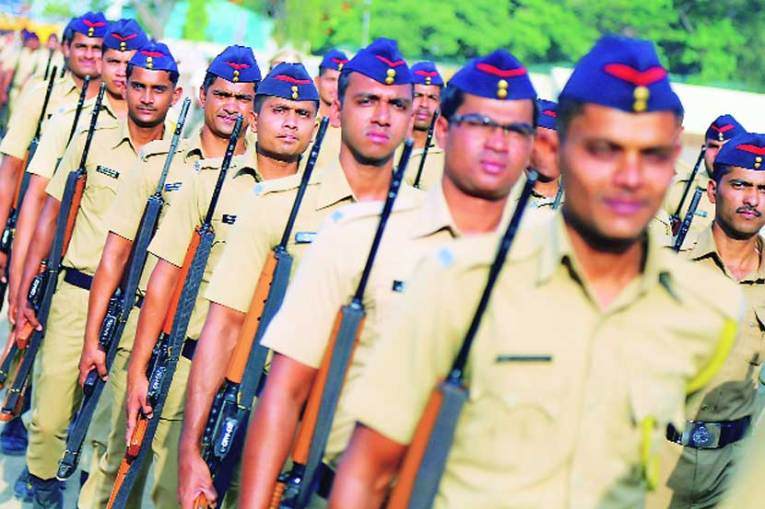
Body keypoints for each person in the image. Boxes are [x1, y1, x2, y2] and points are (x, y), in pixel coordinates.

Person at [330, 34, 743, 509]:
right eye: (604, 150)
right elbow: (368, 470)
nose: (629, 177)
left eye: (650, 154)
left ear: (674, 161)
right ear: (556, 147)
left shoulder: (707, 310)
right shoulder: (464, 281)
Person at [14, 40, 180, 509]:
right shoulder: (92, 137)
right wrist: (25, 287)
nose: (147, 97)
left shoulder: (181, 159)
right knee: (50, 414)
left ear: (176, 94)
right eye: (139, 86)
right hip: (77, 291)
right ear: (126, 85)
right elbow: (51, 215)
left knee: (111, 429)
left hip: (136, 308)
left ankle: (91, 494)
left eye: (158, 89)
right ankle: (43, 484)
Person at [117, 45, 265, 508]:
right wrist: (135, 363)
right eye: (223, 95)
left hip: (247, 368)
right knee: (127, 464)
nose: (232, 107)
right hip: (174, 344)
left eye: (243, 98)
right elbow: (147, 267)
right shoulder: (175, 165)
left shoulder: (279, 187)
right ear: (202, 96)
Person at [649, 132, 765, 508]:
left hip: (732, 470)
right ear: (713, 191)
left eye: (763, 189)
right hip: (656, 461)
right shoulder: (666, 265)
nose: (752, 200)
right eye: (740, 185)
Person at [663, 114, 747, 237]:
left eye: (727, 146)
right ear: (704, 149)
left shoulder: (757, 196)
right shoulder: (680, 190)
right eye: (713, 146)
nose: (719, 154)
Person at [403, 60, 445, 190]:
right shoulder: (387, 141)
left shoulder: (447, 152)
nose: (424, 104)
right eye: (417, 95)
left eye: (432, 98)